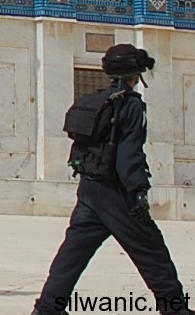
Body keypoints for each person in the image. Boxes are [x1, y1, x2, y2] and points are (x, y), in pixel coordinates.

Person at [32, 45, 187, 315]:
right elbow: (129, 153)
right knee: (152, 252)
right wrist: (138, 191)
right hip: (118, 193)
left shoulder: (95, 101)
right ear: (136, 74)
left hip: (89, 190)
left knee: (73, 255)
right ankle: (175, 309)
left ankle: (46, 309)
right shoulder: (130, 104)